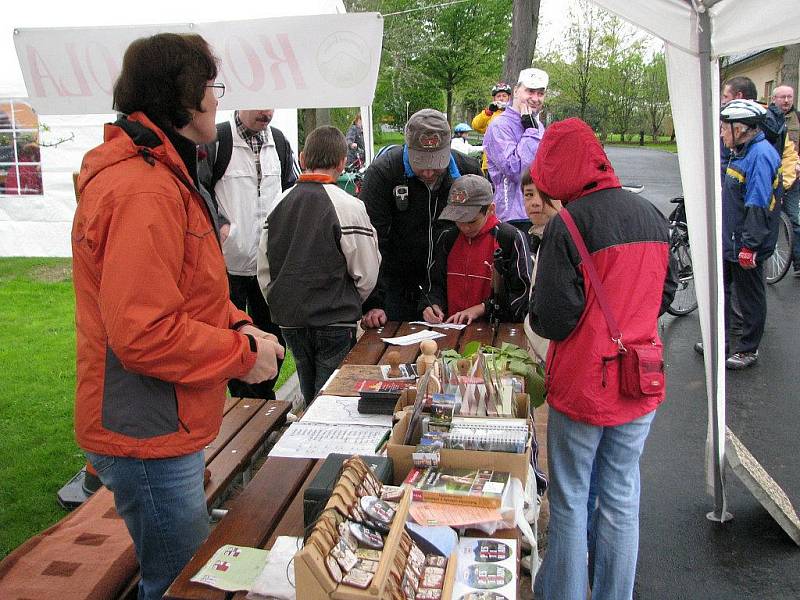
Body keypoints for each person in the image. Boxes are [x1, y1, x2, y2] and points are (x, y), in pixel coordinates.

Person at [72, 33, 284, 600]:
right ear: (181, 96)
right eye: (211, 86)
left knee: (182, 574)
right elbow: (144, 334)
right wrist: (242, 356)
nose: (218, 99)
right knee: (181, 585)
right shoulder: (143, 188)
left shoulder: (162, 173)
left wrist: (239, 325)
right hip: (145, 428)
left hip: (165, 422)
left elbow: (191, 291)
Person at [527, 118, 675, 600]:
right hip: (640, 379)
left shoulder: (567, 226)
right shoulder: (652, 215)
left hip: (584, 384)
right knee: (620, 498)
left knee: (570, 501)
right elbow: (667, 291)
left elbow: (552, 318)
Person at [257, 126, 380, 406]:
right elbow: (367, 270)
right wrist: (349, 300)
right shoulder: (349, 206)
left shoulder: (278, 203)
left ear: (302, 157)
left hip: (290, 317)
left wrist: (279, 301)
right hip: (334, 318)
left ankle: (306, 441)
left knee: (308, 386)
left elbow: (263, 268)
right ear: (342, 162)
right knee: (331, 398)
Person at [199, 108, 297, 400]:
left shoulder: (279, 142)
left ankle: (260, 399)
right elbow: (197, 188)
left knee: (273, 335)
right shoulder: (217, 140)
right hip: (227, 264)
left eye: (270, 104)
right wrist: (222, 225)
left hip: (268, 264)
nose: (266, 112)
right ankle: (245, 403)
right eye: (259, 103)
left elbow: (290, 189)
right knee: (230, 335)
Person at [360, 108, 481, 327]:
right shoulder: (383, 173)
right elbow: (372, 239)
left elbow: (482, 233)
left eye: (435, 162)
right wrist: (373, 302)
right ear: (408, 148)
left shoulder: (467, 172)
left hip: (450, 282)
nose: (427, 172)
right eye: (421, 162)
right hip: (397, 284)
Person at [705, 99, 783, 369]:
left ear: (740, 129)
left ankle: (749, 349)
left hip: (746, 242)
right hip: (732, 238)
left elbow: (759, 205)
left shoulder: (760, 155)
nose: (722, 134)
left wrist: (749, 246)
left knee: (750, 296)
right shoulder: (742, 151)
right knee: (723, 292)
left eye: (725, 128)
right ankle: (722, 340)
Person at [420, 174, 531, 325]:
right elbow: (434, 284)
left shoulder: (510, 238)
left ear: (491, 209)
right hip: (450, 329)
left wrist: (484, 308)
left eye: (472, 221)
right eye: (458, 220)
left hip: (495, 332)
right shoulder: (447, 238)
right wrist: (432, 304)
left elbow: (523, 294)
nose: (465, 227)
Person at [483, 68, 548, 231]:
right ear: (517, 91)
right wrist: (530, 133)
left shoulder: (537, 125)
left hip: (540, 213)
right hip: (511, 218)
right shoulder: (499, 125)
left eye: (540, 93)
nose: (535, 98)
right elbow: (515, 171)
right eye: (530, 91)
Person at [771, 84, 800, 275]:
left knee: (794, 218)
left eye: (789, 97)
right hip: (773, 175)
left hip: (794, 175)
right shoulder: (767, 118)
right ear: (774, 99)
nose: (787, 101)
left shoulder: (797, 118)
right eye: (782, 97)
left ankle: (798, 262)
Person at [471, 82, 512, 176]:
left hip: (509, 163)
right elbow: (476, 126)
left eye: (504, 96)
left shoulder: (513, 113)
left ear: (509, 98)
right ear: (494, 98)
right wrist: (488, 112)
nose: (501, 98)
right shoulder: (490, 114)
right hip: (490, 163)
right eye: (498, 96)